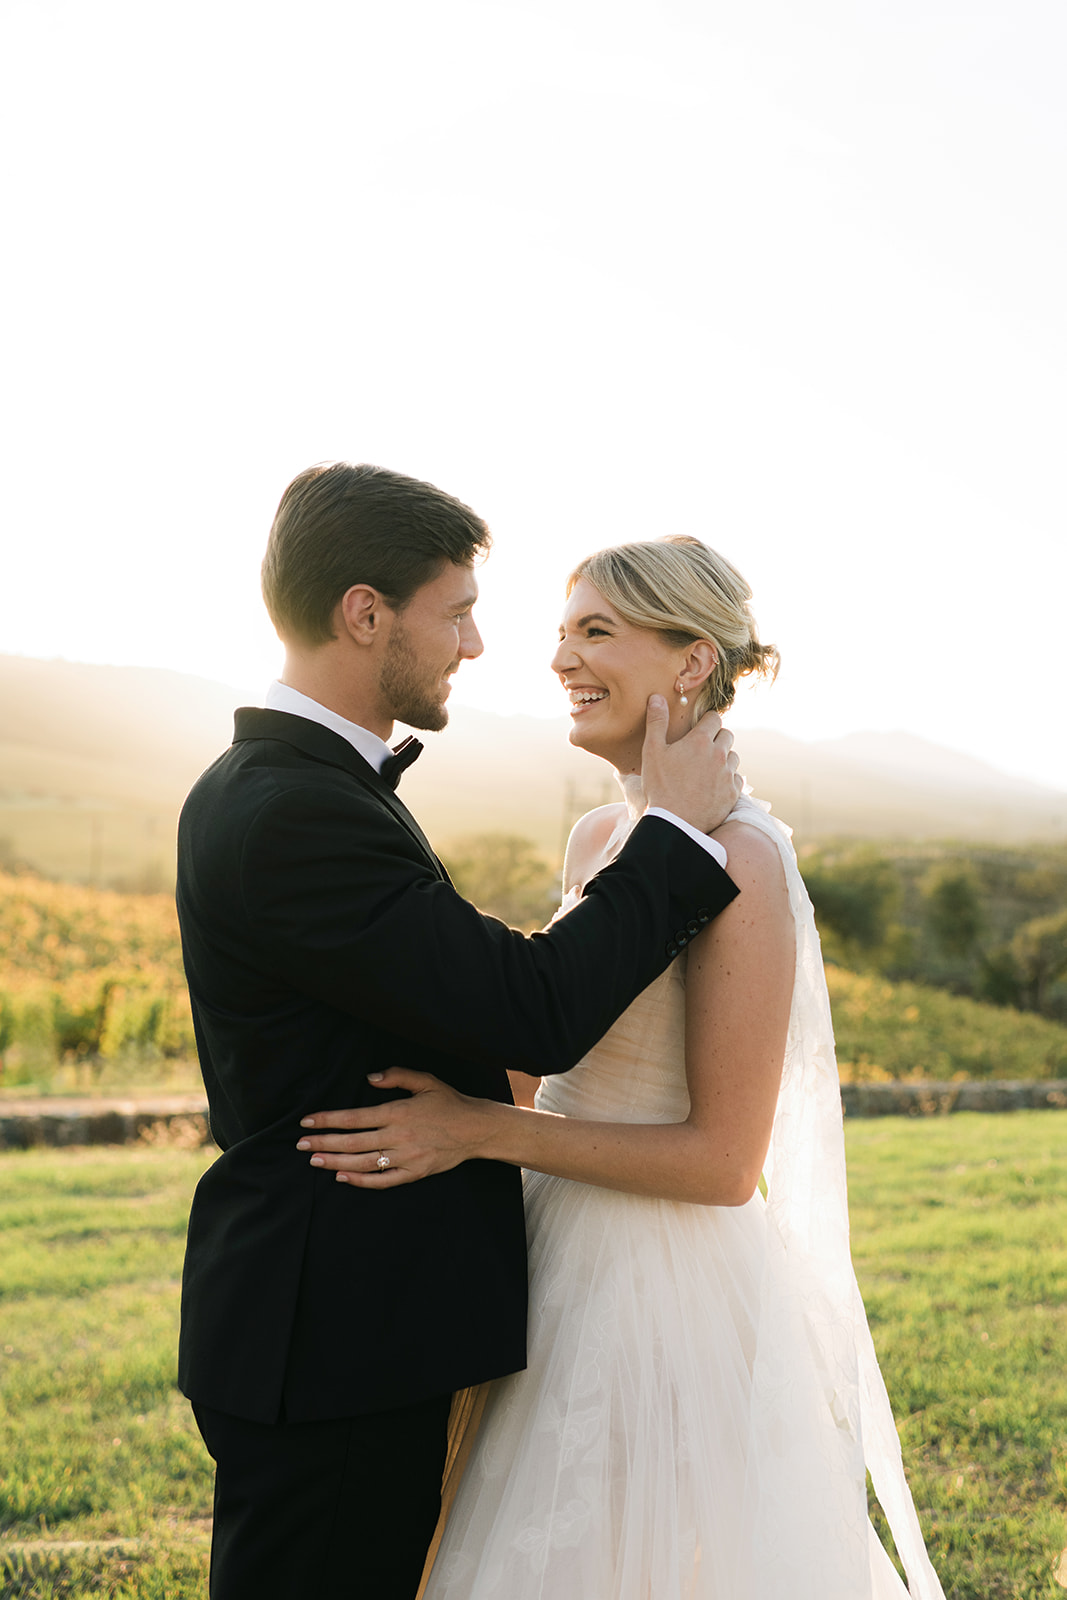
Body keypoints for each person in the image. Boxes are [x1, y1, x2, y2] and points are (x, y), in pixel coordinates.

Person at [299, 535, 946, 1599]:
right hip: (542, 1249)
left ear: (692, 660)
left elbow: (722, 1164)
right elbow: (549, 1044)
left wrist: (476, 1129)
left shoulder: (744, 859)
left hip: (655, 1290)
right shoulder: (601, 834)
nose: (561, 659)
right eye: (562, 634)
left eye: (596, 631)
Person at [175, 464, 746, 1599]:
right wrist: (677, 838)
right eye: (456, 613)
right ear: (365, 613)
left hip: (348, 1321)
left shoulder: (296, 786)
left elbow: (465, 1008)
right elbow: (530, 1008)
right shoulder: (295, 809)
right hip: (334, 1334)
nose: (476, 645)